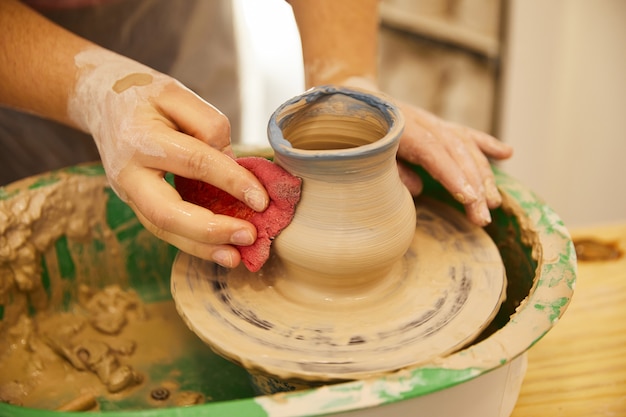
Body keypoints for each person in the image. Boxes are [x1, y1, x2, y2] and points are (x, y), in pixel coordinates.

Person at [0, 0, 513, 269]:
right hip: (17, 50)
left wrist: (347, 77)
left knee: (206, 159)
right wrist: (91, 87)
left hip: (174, 14)